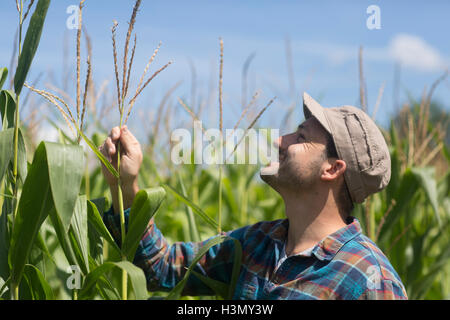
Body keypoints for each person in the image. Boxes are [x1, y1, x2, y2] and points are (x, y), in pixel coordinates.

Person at [99, 92, 408, 300]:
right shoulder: (255, 243)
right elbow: (162, 268)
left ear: (332, 168)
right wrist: (124, 186)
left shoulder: (371, 279)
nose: (278, 140)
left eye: (300, 137)